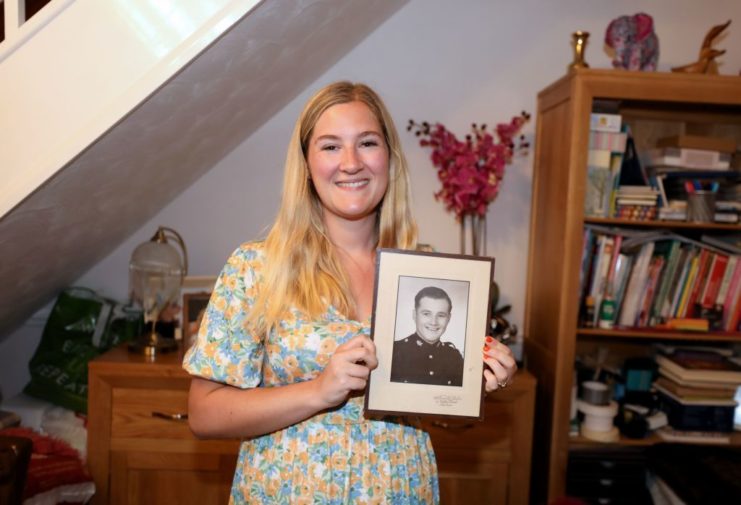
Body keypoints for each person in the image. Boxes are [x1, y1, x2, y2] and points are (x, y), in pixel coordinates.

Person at [183, 81, 517, 504]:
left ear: (389, 158)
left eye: (367, 143)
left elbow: (434, 395)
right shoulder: (256, 269)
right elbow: (204, 413)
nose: (351, 162)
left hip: (399, 489)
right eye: (330, 147)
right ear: (305, 164)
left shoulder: (426, 271)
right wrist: (316, 391)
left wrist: (481, 377)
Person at [390, 286, 464, 386]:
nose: (434, 322)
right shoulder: (394, 351)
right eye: (426, 314)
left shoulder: (455, 357)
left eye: (441, 315)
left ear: (449, 318)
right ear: (414, 315)